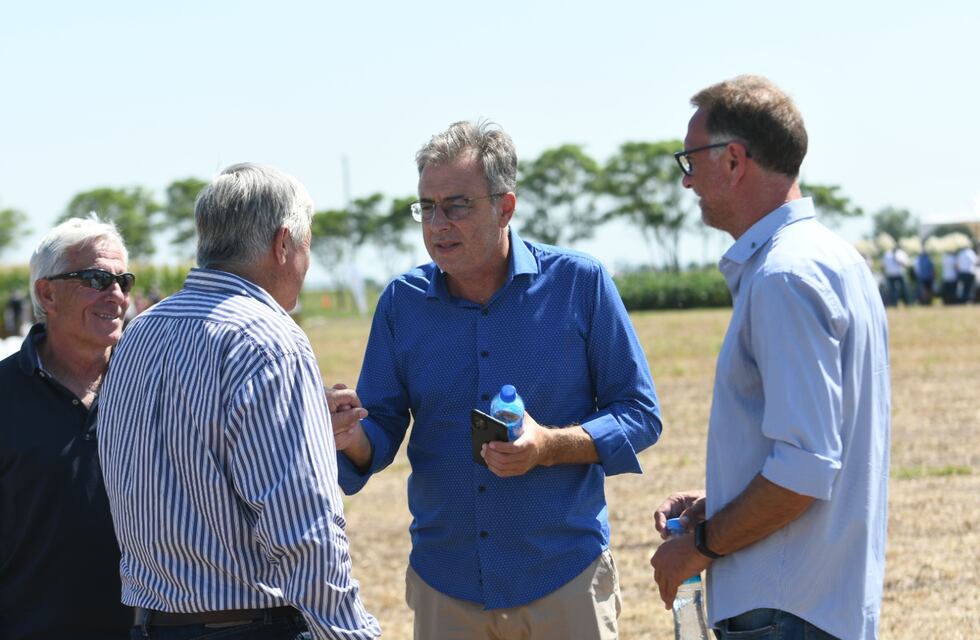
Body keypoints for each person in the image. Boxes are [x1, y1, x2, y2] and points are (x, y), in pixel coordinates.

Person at [330, 120, 662, 639]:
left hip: (562, 578)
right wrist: (351, 440)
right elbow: (382, 427)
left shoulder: (580, 285)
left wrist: (549, 446)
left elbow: (639, 415)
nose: (438, 224)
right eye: (427, 207)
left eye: (457, 205)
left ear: (505, 207)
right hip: (448, 585)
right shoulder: (402, 303)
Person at [650, 76, 890, 640]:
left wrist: (699, 547)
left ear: (733, 160)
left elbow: (805, 468)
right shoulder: (836, 260)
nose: (687, 180)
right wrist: (726, 499)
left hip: (786, 613)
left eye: (691, 159)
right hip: (819, 601)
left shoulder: (784, 277)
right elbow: (813, 448)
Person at [98, 163, 380, 640]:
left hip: (154, 624)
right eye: (307, 246)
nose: (307, 266)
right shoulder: (269, 339)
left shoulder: (139, 333)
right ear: (284, 243)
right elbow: (302, 528)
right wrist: (349, 633)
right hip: (251, 623)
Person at [0, 218, 133, 638]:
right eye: (97, 279)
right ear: (47, 293)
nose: (116, 295)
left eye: (123, 281)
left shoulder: (152, 389)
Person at [881, 241, 910, 306]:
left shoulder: (902, 253)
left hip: (900, 274)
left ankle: (907, 303)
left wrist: (900, 261)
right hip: (891, 275)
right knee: (892, 291)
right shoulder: (887, 254)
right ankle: (894, 304)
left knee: (904, 290)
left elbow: (907, 264)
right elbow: (883, 264)